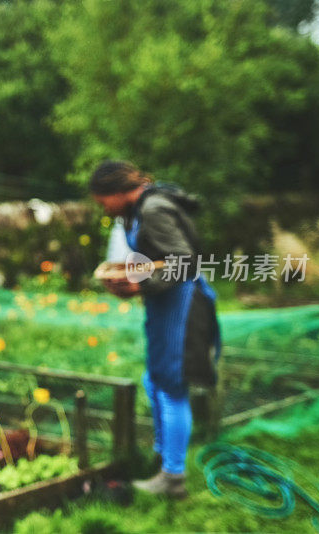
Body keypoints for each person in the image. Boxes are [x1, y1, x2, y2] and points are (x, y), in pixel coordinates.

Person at [90, 160, 220, 498]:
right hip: (165, 306)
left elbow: (185, 262)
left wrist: (139, 286)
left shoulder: (154, 209)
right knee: (157, 379)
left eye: (103, 201)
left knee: (172, 385)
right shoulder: (140, 208)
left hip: (183, 308)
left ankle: (172, 479)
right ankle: (163, 458)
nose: (103, 209)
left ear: (118, 191)